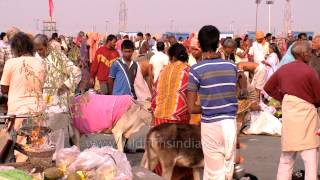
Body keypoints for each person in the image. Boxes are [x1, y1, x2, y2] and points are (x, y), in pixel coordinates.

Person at [264, 41, 320, 180]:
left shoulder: (283, 69)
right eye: (309, 52)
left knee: (287, 156)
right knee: (310, 154)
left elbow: (268, 87)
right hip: (306, 114)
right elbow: (319, 97)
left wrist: (283, 98)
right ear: (305, 54)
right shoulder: (309, 71)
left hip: (289, 113)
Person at [187, 25, 238, 179]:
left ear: (200, 45)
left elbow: (192, 108)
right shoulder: (232, 67)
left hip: (211, 126)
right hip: (230, 124)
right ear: (218, 44)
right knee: (228, 171)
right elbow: (239, 89)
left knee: (213, 172)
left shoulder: (196, 70)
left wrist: (209, 106)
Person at [34, 34, 82, 158]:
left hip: (57, 103)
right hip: (41, 103)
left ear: (47, 46)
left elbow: (76, 72)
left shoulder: (58, 57)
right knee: (42, 136)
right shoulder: (35, 59)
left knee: (57, 137)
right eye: (36, 49)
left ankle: (57, 164)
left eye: (41, 49)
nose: (39, 52)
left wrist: (65, 85)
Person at [1, 32, 45, 162]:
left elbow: (4, 88)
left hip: (17, 112)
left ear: (16, 48)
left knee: (20, 148)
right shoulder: (40, 63)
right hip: (37, 110)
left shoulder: (11, 63)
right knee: (36, 146)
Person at [152, 43, 190, 125]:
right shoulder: (188, 71)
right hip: (179, 118)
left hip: (159, 118)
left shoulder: (163, 71)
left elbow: (155, 94)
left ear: (172, 57)